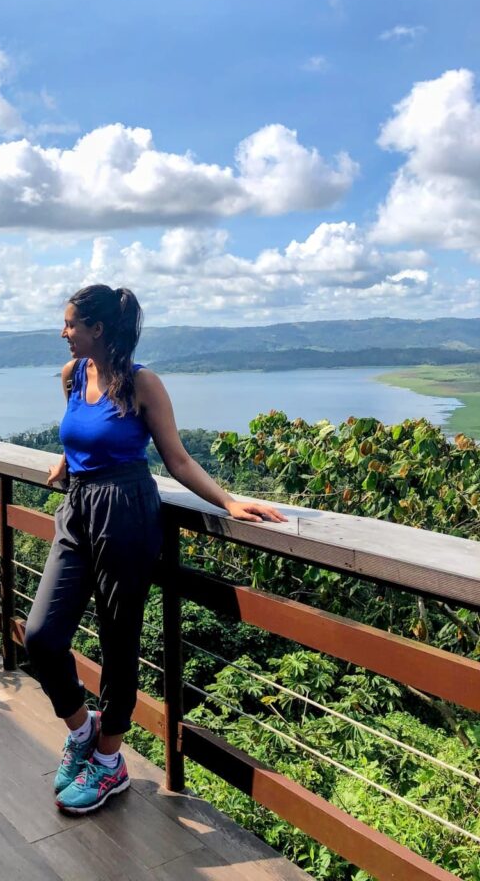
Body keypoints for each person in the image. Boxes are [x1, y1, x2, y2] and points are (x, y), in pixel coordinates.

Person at [24, 284, 287, 815]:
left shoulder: (142, 383)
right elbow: (81, 436)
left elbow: (178, 459)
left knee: (119, 641)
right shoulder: (72, 376)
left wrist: (229, 502)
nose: (64, 331)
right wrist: (67, 460)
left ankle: (108, 762)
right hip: (77, 511)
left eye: (72, 324)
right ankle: (82, 730)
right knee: (40, 637)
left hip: (127, 511)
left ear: (98, 329)